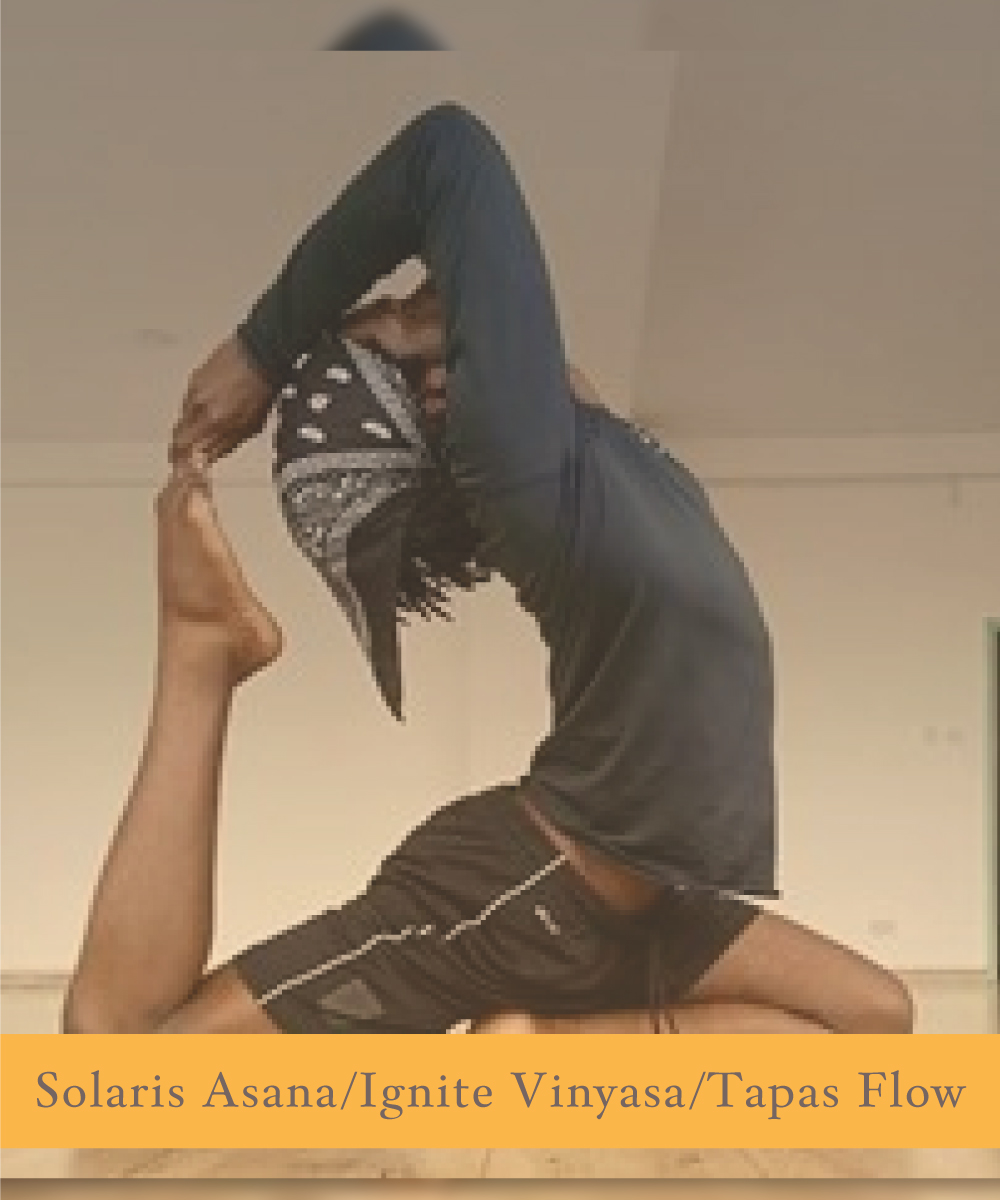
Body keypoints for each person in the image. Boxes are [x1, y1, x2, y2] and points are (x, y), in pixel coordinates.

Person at [63, 104, 913, 1035]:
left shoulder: (584, 449)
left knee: (877, 1016)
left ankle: (542, 1042)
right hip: (519, 890)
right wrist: (264, 348)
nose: (423, 287)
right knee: (118, 1064)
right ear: (435, 400)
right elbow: (448, 149)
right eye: (394, 319)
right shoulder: (516, 467)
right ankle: (201, 648)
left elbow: (514, 315)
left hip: (640, 900)